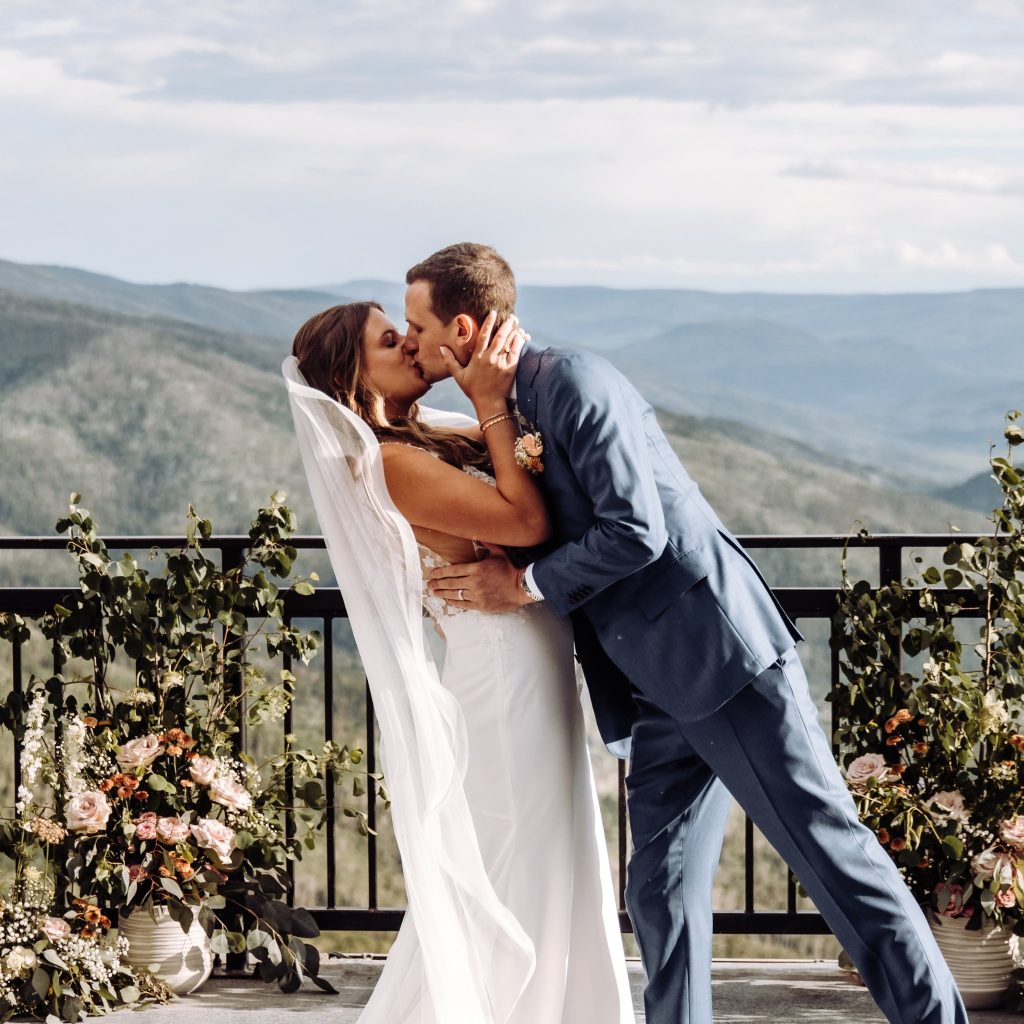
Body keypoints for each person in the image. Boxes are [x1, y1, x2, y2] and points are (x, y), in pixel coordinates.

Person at [408, 242, 969, 1024]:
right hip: (656, 684)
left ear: (462, 327)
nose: (412, 342)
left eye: (417, 324)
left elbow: (636, 530)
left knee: (834, 859)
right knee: (659, 885)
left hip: (722, 661)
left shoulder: (570, 381)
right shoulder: (509, 402)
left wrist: (525, 584)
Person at [283, 301, 632, 1023]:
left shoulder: (425, 437)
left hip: (530, 660)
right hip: (502, 677)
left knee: (548, 852)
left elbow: (534, 475)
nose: (412, 345)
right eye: (391, 340)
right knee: (516, 859)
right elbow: (527, 520)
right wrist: (491, 401)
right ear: (353, 376)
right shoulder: (390, 462)